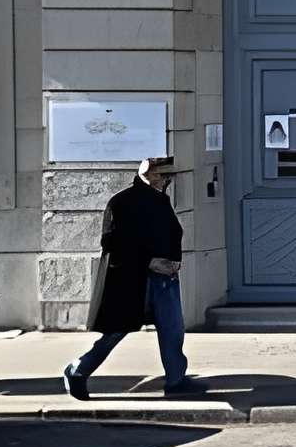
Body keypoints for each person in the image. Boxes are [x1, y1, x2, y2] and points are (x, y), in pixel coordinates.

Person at [64, 155, 206, 399]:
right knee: (117, 332)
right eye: (159, 175)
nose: (164, 180)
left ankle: (176, 380)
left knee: (172, 330)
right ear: (146, 175)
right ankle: (77, 370)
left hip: (164, 278)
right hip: (136, 279)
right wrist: (150, 261)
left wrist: (171, 262)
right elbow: (113, 242)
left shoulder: (159, 199)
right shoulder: (123, 202)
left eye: (167, 176)